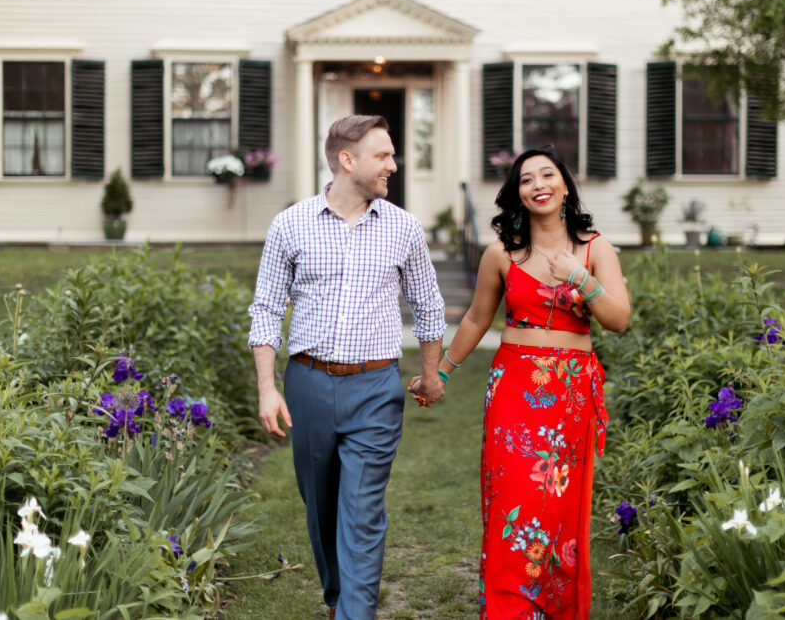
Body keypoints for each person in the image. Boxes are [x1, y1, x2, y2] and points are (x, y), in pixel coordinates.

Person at [409, 146, 630, 619]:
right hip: (514, 387)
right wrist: (440, 373)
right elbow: (474, 319)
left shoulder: (595, 248)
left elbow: (619, 319)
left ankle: (555, 606)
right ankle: (509, 609)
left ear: (565, 186)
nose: (538, 184)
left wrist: (580, 280)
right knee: (514, 497)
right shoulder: (501, 255)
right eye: (526, 180)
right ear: (518, 196)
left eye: (547, 175)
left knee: (558, 505)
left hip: (570, 393)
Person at [247, 114, 447, 620]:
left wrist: (428, 374)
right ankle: (338, 597)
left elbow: (429, 306)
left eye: (393, 156)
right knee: (321, 505)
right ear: (347, 159)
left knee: (360, 511)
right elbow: (267, 309)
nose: (393, 166)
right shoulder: (290, 224)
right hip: (309, 383)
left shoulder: (403, 228)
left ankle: (355, 612)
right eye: (383, 155)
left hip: (377, 387)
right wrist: (268, 389)